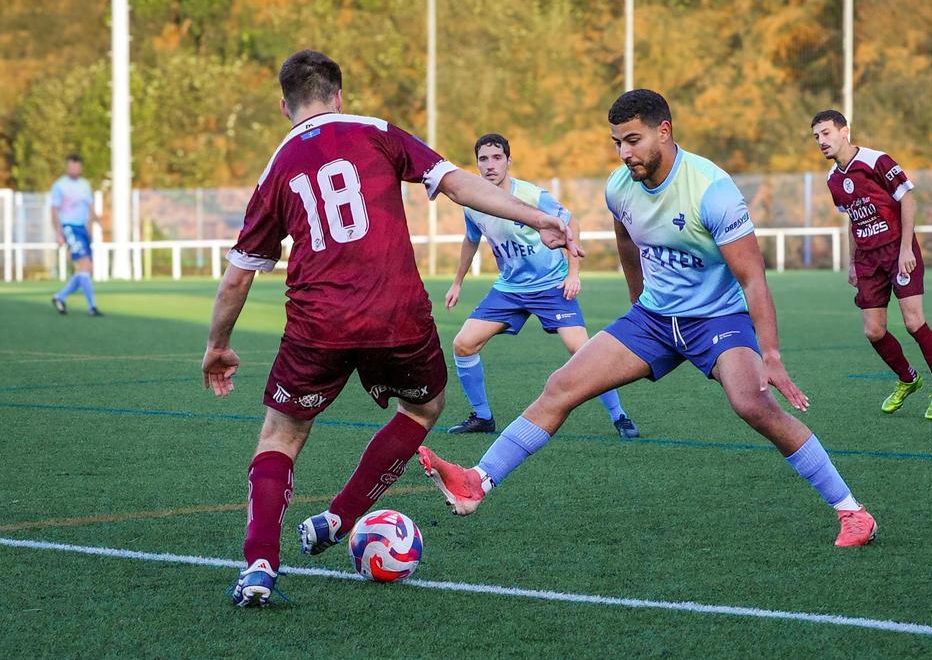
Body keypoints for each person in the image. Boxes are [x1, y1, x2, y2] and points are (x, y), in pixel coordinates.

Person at [418, 89, 877, 549]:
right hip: (654, 319)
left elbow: (753, 278)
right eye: (617, 142)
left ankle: (852, 511)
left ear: (664, 131)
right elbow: (627, 243)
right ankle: (478, 480)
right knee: (561, 385)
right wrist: (639, 304)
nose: (624, 153)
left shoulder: (712, 191)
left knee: (753, 405)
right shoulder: (619, 187)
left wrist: (771, 354)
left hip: (716, 318)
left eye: (633, 140)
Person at [201, 50, 577, 607]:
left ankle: (258, 567)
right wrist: (539, 216)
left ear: (286, 106)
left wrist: (218, 346)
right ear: (339, 96)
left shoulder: (278, 165)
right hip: (397, 314)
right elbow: (457, 184)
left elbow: (238, 279)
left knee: (281, 437)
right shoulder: (376, 131)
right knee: (424, 409)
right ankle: (338, 518)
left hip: (317, 324)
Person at [443, 133, 640, 438]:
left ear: (509, 160)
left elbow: (571, 223)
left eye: (497, 158)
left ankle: (620, 415)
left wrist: (573, 273)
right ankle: (482, 417)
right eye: (484, 159)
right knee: (463, 344)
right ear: (477, 164)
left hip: (551, 287)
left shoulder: (532, 196)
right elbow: (471, 239)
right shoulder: (473, 202)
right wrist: (457, 282)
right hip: (509, 289)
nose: (490, 165)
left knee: (583, 351)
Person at [812, 110, 932, 420]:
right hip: (867, 258)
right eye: (816, 137)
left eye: (826, 133)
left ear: (844, 131)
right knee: (874, 331)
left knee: (914, 322)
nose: (821, 141)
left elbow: (909, 200)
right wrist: (851, 263)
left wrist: (905, 249)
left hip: (896, 250)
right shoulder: (833, 179)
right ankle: (907, 378)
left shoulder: (877, 161)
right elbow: (853, 219)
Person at [49, 154, 102, 316]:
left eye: (77, 166)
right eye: (71, 166)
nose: (74, 169)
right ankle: (92, 307)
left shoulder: (85, 185)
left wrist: (95, 222)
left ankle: (60, 297)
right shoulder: (60, 185)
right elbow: (54, 210)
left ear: (80, 167)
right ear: (67, 167)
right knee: (84, 266)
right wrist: (58, 233)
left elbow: (90, 207)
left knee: (86, 269)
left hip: (82, 229)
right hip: (69, 227)